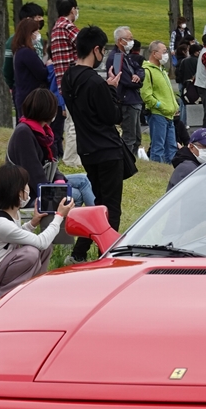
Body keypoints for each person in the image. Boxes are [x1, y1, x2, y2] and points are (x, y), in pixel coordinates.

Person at [60, 26, 126, 263]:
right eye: (103, 50)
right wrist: (113, 91)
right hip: (107, 150)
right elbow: (113, 116)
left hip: (87, 149)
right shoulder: (95, 82)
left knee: (97, 203)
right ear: (96, 50)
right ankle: (106, 256)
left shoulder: (68, 78)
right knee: (111, 207)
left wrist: (106, 89)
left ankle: (79, 253)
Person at [0, 164, 73, 294]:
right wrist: (59, 216)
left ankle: (36, 286)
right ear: (18, 191)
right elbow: (40, 242)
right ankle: (5, 295)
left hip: (3, 264)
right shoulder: (0, 222)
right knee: (30, 253)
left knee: (45, 247)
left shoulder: (11, 211)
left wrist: (33, 223)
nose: (28, 188)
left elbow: (15, 235)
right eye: (26, 185)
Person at [7, 88, 67, 202]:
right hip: (29, 194)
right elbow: (34, 173)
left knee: (83, 180)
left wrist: (59, 179)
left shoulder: (43, 131)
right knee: (75, 193)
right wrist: (54, 192)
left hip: (44, 183)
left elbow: (51, 163)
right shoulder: (24, 133)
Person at [106, 26, 145, 162]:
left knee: (137, 137)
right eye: (129, 39)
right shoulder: (116, 58)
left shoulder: (126, 56)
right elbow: (124, 80)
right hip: (126, 101)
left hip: (134, 100)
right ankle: (126, 161)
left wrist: (138, 76)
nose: (131, 41)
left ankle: (132, 161)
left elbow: (140, 69)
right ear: (120, 41)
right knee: (130, 136)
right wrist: (138, 82)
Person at [50, 0, 80, 166]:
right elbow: (85, 45)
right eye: (76, 8)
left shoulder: (56, 27)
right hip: (74, 81)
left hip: (63, 82)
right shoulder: (67, 26)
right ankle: (71, 159)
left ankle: (70, 157)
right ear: (72, 9)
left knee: (70, 122)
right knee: (76, 123)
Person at [2, 2, 45, 116]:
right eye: (38, 17)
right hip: (23, 87)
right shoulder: (14, 42)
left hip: (37, 87)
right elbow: (7, 68)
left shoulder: (38, 40)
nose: (41, 20)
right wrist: (12, 85)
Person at [140, 40, 179, 163]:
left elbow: (167, 91)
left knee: (171, 147)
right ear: (154, 53)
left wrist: (174, 106)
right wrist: (159, 105)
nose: (166, 54)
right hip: (158, 114)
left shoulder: (161, 70)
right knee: (158, 147)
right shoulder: (147, 71)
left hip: (169, 114)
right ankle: (157, 168)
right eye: (164, 51)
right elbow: (146, 95)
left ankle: (171, 169)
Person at [11, 17, 48, 117]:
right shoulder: (26, 52)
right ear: (29, 34)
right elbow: (41, 73)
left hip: (24, 96)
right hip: (30, 98)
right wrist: (49, 66)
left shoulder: (19, 51)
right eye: (36, 31)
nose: (38, 34)